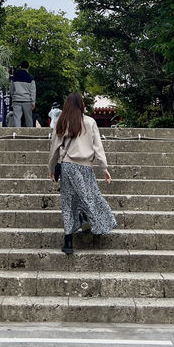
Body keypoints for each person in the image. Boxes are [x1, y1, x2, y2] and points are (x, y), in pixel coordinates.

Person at [48, 92, 117, 255]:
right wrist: (104, 168)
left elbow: (54, 149)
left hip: (67, 167)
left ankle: (68, 241)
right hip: (86, 167)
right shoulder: (90, 121)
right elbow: (97, 147)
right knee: (91, 197)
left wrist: (51, 169)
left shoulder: (62, 122)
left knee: (68, 203)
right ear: (81, 105)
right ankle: (95, 225)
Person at [10, 61, 36, 127]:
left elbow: (11, 90)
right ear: (28, 67)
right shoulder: (30, 78)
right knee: (28, 118)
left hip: (16, 100)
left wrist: (13, 97)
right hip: (27, 100)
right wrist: (33, 102)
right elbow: (33, 91)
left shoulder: (14, 77)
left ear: (20, 67)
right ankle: (29, 134)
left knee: (17, 118)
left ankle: (17, 134)